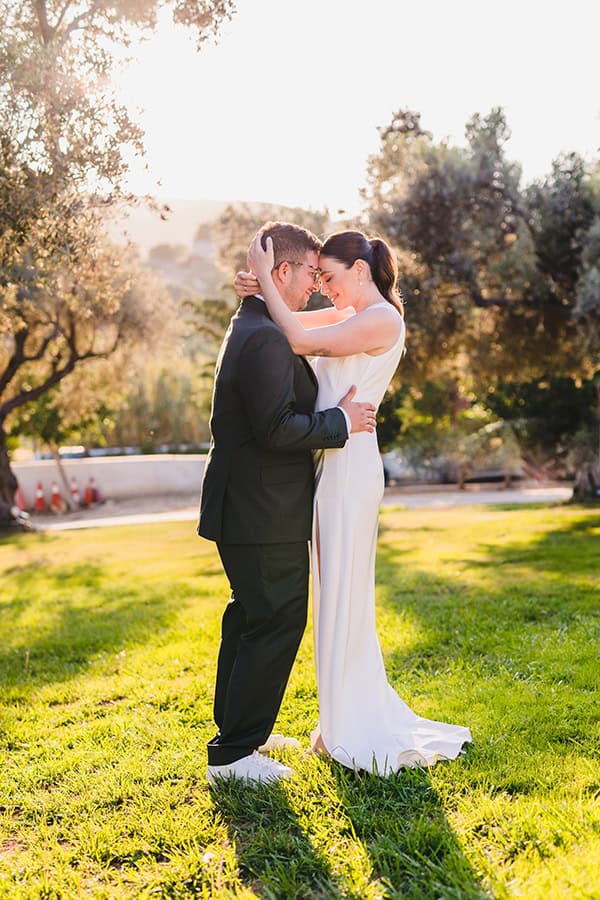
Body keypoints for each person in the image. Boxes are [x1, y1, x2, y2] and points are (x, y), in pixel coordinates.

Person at [238, 228, 472, 774]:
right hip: (331, 465)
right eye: (315, 278)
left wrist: (266, 284)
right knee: (333, 595)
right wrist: (256, 287)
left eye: (330, 277)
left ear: (360, 272)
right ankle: (339, 717)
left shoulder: (382, 319)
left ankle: (353, 725)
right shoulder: (351, 316)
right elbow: (284, 321)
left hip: (350, 470)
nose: (322, 289)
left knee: (343, 595)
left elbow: (297, 339)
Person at [198, 221, 377, 785]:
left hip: (250, 504)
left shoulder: (257, 323)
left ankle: (239, 734)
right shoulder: (267, 338)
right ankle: (235, 757)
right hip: (260, 507)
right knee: (274, 621)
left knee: (249, 618)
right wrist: (340, 422)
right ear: (283, 271)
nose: (312, 287)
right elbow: (277, 428)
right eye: (307, 273)